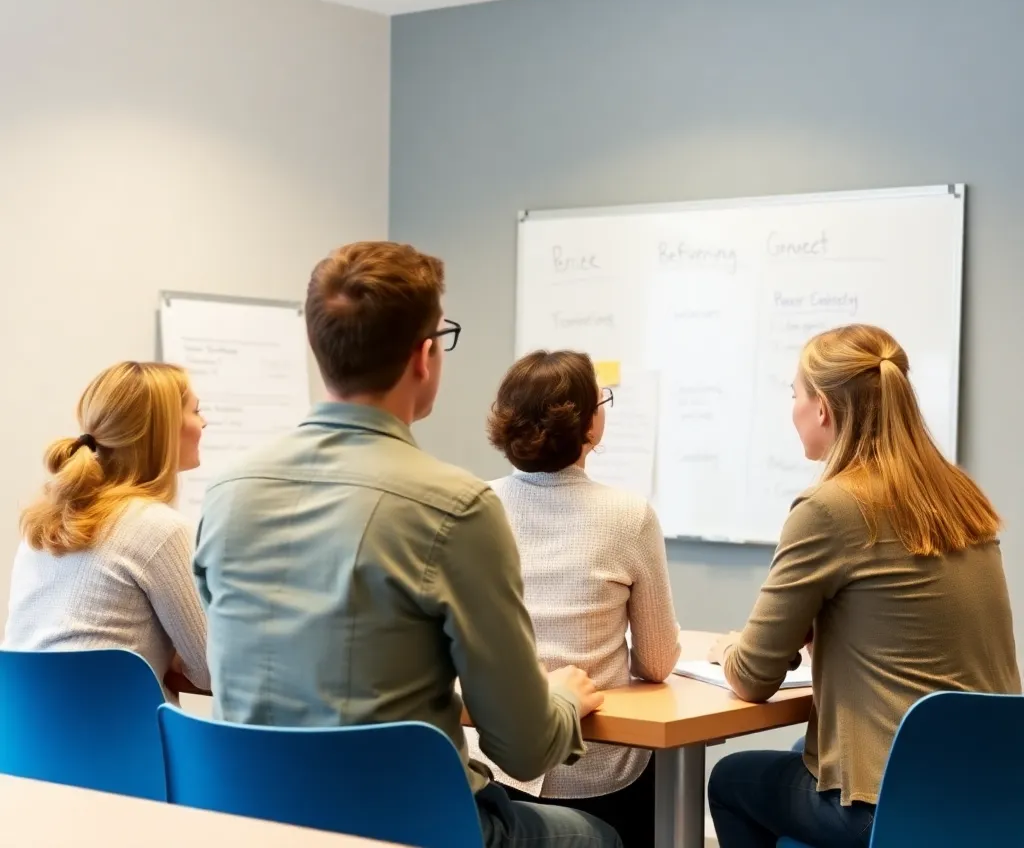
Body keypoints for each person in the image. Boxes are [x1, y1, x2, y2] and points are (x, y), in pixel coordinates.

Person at [193, 241, 623, 848]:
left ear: (321, 351)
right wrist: (562, 701)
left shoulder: (227, 493)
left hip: (247, 817)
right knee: (597, 837)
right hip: (403, 823)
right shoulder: (455, 506)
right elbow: (523, 747)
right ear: (425, 356)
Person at [707, 324, 1020, 848]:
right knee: (798, 751)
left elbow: (752, 676)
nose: (793, 410)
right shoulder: (960, 496)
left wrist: (728, 649)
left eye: (795, 395)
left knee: (731, 780)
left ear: (822, 409)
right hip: (996, 794)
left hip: (887, 806)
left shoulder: (829, 508)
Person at [467, 349, 680, 848]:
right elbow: (656, 661)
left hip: (496, 759)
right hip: (599, 766)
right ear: (589, 426)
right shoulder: (628, 516)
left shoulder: (475, 507)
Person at [4, 362, 210, 699]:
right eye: (196, 410)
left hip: (23, 748)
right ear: (165, 428)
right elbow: (209, 671)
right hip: (126, 747)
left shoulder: (42, 525)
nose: (204, 422)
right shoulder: (160, 529)